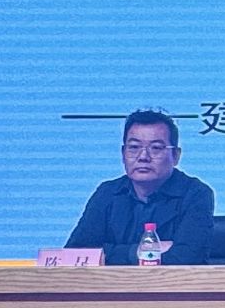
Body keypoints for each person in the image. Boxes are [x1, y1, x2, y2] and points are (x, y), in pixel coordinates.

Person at [65, 109, 215, 264]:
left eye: (156, 148)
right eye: (134, 147)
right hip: (112, 280)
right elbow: (75, 255)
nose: (143, 157)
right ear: (123, 153)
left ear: (176, 156)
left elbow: (187, 258)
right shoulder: (108, 193)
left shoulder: (196, 194)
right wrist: (141, 251)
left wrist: (108, 253)